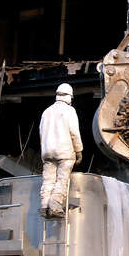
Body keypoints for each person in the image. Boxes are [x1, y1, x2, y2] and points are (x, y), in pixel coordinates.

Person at [39, 82, 83, 217]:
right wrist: (78, 150)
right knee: (61, 180)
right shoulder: (70, 111)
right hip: (64, 152)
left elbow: (41, 132)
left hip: (47, 152)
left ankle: (44, 206)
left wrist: (43, 153)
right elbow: (74, 132)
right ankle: (55, 206)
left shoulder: (46, 112)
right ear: (69, 97)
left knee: (48, 181)